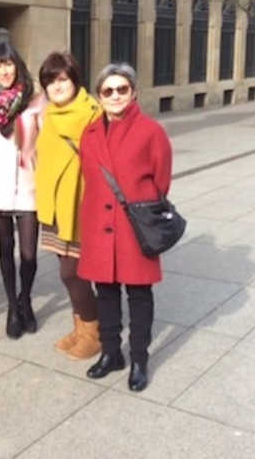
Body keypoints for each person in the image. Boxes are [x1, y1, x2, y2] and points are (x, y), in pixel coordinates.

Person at [79, 63, 173, 392]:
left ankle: (138, 359)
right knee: (104, 293)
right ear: (99, 96)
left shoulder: (151, 131)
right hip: (98, 225)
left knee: (138, 294)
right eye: (108, 90)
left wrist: (139, 205)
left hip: (134, 226)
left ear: (133, 92)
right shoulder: (89, 133)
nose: (115, 95)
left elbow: (161, 181)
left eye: (122, 89)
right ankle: (110, 353)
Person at [35, 51, 101, 360]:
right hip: (56, 207)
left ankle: (94, 332)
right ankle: (80, 328)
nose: (57, 86)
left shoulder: (92, 112)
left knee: (72, 274)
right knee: (68, 271)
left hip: (81, 206)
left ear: (75, 80)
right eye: (50, 80)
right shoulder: (49, 114)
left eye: (62, 79)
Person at [0, 42, 43, 339]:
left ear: (18, 65)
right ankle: (12, 308)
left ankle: (25, 299)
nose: (4, 70)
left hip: (29, 185)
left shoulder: (35, 101)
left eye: (8, 63)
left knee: (28, 254)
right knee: (6, 248)